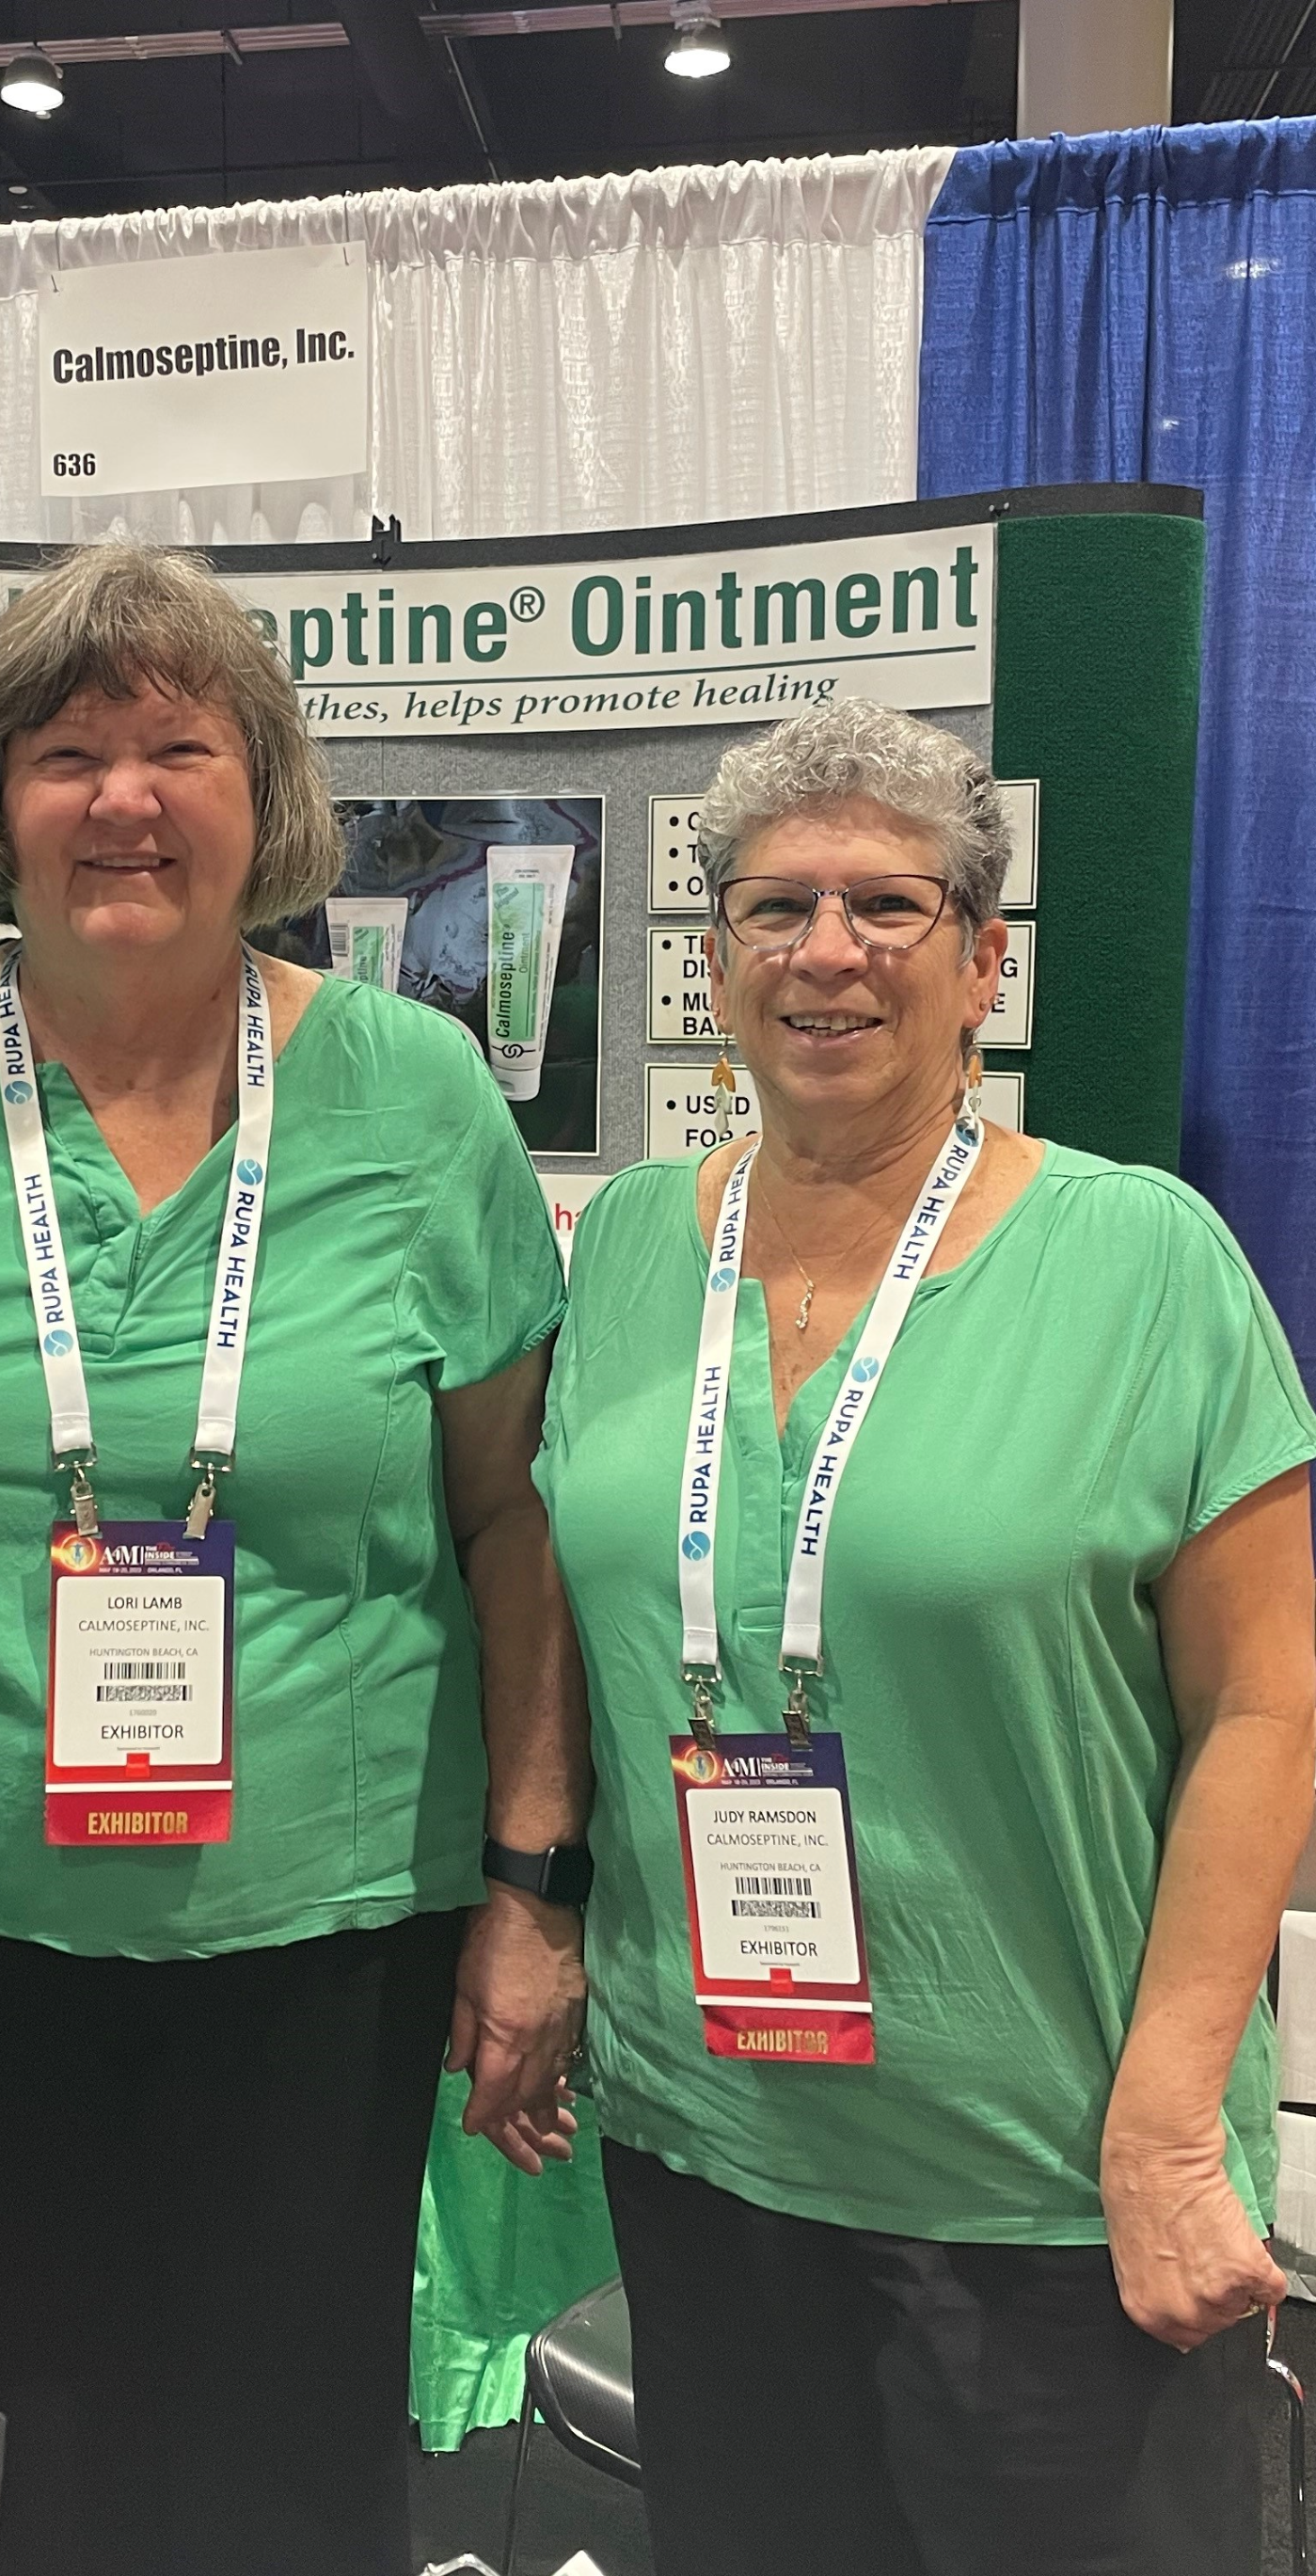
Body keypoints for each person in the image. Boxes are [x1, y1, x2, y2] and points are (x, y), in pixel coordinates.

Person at [0, 543, 589, 2576]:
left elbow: (509, 1514)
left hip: (326, 1927)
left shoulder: (406, 1090)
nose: (121, 799)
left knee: (292, 2456)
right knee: (23, 2447)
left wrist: (528, 1885)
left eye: (173, 749)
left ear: (261, 792)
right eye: (63, 753)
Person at [537, 698, 1316, 2576]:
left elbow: (1265, 1702)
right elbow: (583, 1623)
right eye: (769, 906)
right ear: (708, 957)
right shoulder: (633, 1246)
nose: (821, 953)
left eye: (884, 907)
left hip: (1047, 2184)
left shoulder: (1142, 1263)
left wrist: (1157, 2131)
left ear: (980, 963)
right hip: (708, 2142)